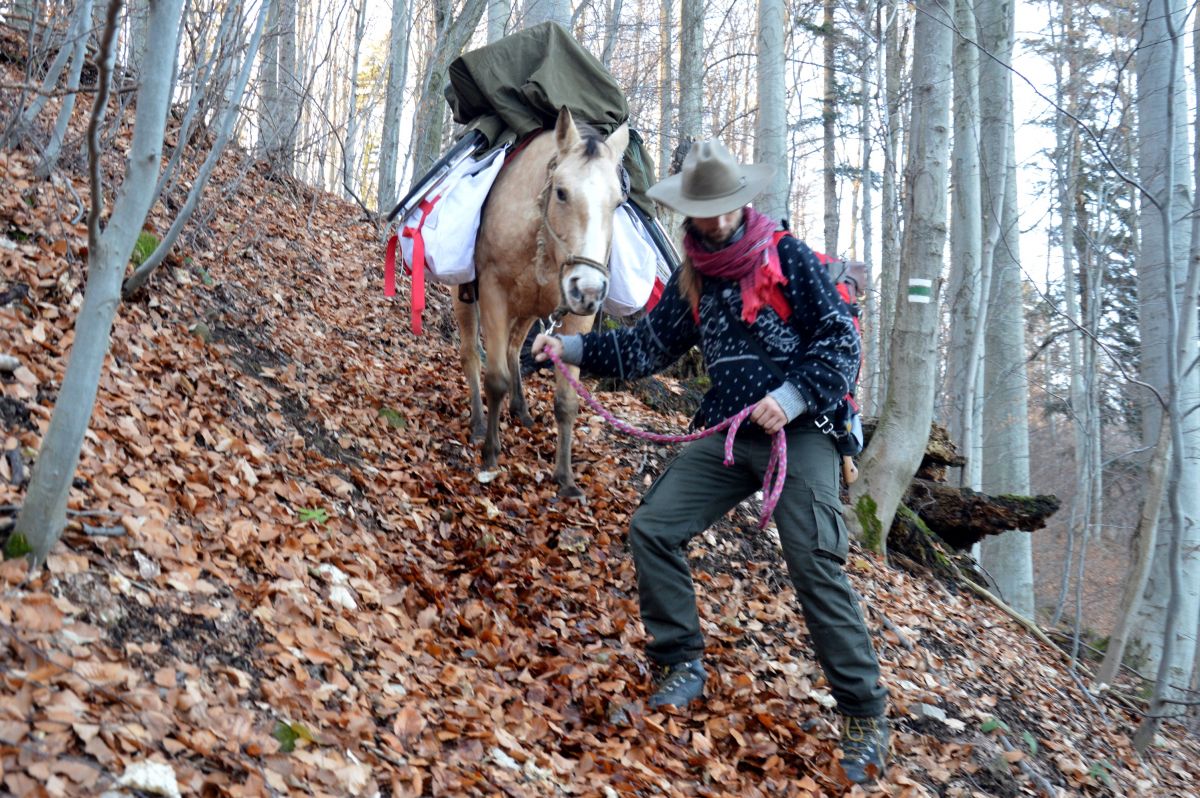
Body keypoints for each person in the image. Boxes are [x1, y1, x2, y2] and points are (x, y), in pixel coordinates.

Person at [532, 139, 890, 784]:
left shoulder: (788, 256)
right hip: (725, 434)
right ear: (688, 213)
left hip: (803, 431)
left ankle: (864, 713)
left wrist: (791, 395)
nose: (718, 220)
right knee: (654, 528)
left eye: (726, 208)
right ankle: (680, 661)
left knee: (814, 563)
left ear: (742, 204)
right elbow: (645, 347)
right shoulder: (693, 275)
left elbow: (840, 343)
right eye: (706, 211)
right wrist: (569, 348)